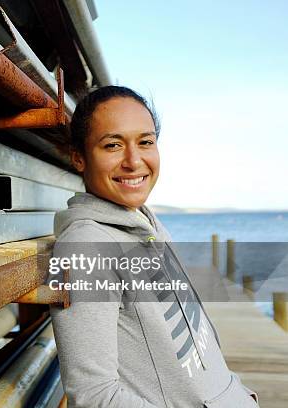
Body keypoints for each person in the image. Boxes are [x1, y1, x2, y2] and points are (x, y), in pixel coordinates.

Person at [49, 86, 259, 407]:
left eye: (145, 142)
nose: (134, 161)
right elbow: (95, 396)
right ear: (79, 157)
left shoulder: (147, 221)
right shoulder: (85, 247)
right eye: (113, 145)